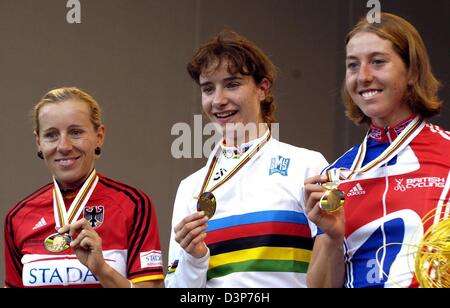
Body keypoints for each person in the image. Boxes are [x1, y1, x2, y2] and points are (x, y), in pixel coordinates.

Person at [165, 31, 328, 288]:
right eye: (208, 89)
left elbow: (333, 269)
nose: (218, 100)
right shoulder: (191, 187)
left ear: (262, 88)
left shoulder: (306, 165)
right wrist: (194, 258)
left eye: (232, 84)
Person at [305, 13, 450, 288]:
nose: (364, 77)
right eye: (352, 65)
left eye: (378, 62)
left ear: (413, 72)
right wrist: (334, 239)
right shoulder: (332, 178)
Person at [4, 87, 164, 288]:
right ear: (38, 142)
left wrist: (102, 270)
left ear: (99, 136)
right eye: (51, 135)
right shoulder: (18, 217)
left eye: (76, 132)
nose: (64, 146)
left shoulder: (133, 205)